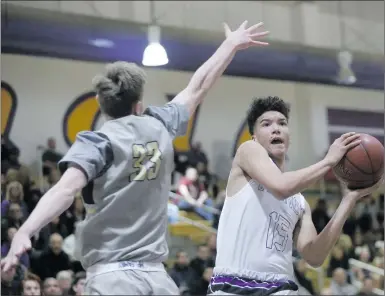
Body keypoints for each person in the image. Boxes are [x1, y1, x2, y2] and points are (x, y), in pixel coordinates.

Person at [1, 21, 270, 295]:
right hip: (157, 277)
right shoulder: (160, 124)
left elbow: (65, 190)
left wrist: (25, 231)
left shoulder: (97, 142)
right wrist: (230, 45)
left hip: (111, 276)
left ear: (102, 105)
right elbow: (198, 86)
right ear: (138, 105)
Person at [209, 96, 383, 295]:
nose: (276, 128)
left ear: (289, 137)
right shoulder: (247, 151)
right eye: (266, 124)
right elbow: (281, 186)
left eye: (282, 123)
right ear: (254, 137)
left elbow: (314, 256)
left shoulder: (300, 202)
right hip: (235, 284)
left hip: (282, 287)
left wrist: (349, 200)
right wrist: (328, 161)